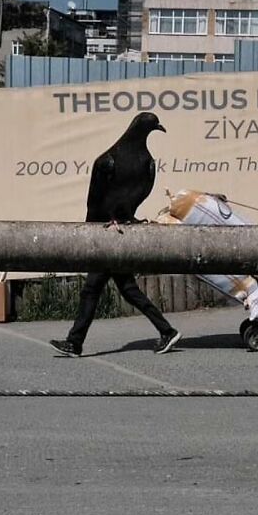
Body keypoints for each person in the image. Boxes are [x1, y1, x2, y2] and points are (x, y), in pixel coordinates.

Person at [49, 112, 181, 357]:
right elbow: (104, 198)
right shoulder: (116, 162)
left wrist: (116, 218)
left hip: (109, 233)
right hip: (113, 227)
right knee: (128, 290)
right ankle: (166, 331)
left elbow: (111, 199)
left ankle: (74, 343)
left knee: (93, 290)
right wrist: (126, 216)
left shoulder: (129, 161)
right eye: (153, 126)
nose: (158, 128)